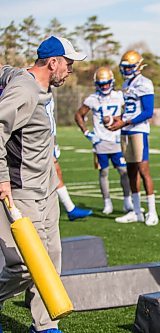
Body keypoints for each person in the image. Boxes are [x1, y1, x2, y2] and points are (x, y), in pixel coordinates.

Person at [0, 36, 86, 333]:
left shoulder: (36, 81)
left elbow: (6, 69)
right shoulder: (23, 91)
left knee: (52, 258)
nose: (70, 70)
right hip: (20, 190)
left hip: (45, 189)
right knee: (24, 266)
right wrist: (1, 178)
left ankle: (45, 325)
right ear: (53, 63)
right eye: (69, 64)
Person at [108, 50, 158, 226]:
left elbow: (147, 111)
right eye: (125, 67)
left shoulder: (145, 83)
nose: (126, 70)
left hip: (139, 131)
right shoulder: (126, 84)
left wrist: (125, 121)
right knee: (131, 172)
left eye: (130, 67)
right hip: (127, 130)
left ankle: (152, 211)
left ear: (138, 66)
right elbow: (129, 109)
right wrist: (120, 119)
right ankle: (136, 211)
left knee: (144, 171)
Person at [74, 67, 133, 215]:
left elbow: (129, 112)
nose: (105, 86)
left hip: (117, 140)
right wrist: (87, 133)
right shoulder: (92, 99)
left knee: (123, 171)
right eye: (102, 84)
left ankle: (127, 201)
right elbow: (79, 115)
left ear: (111, 82)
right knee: (103, 173)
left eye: (107, 83)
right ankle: (107, 202)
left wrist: (120, 121)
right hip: (100, 141)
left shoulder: (119, 96)